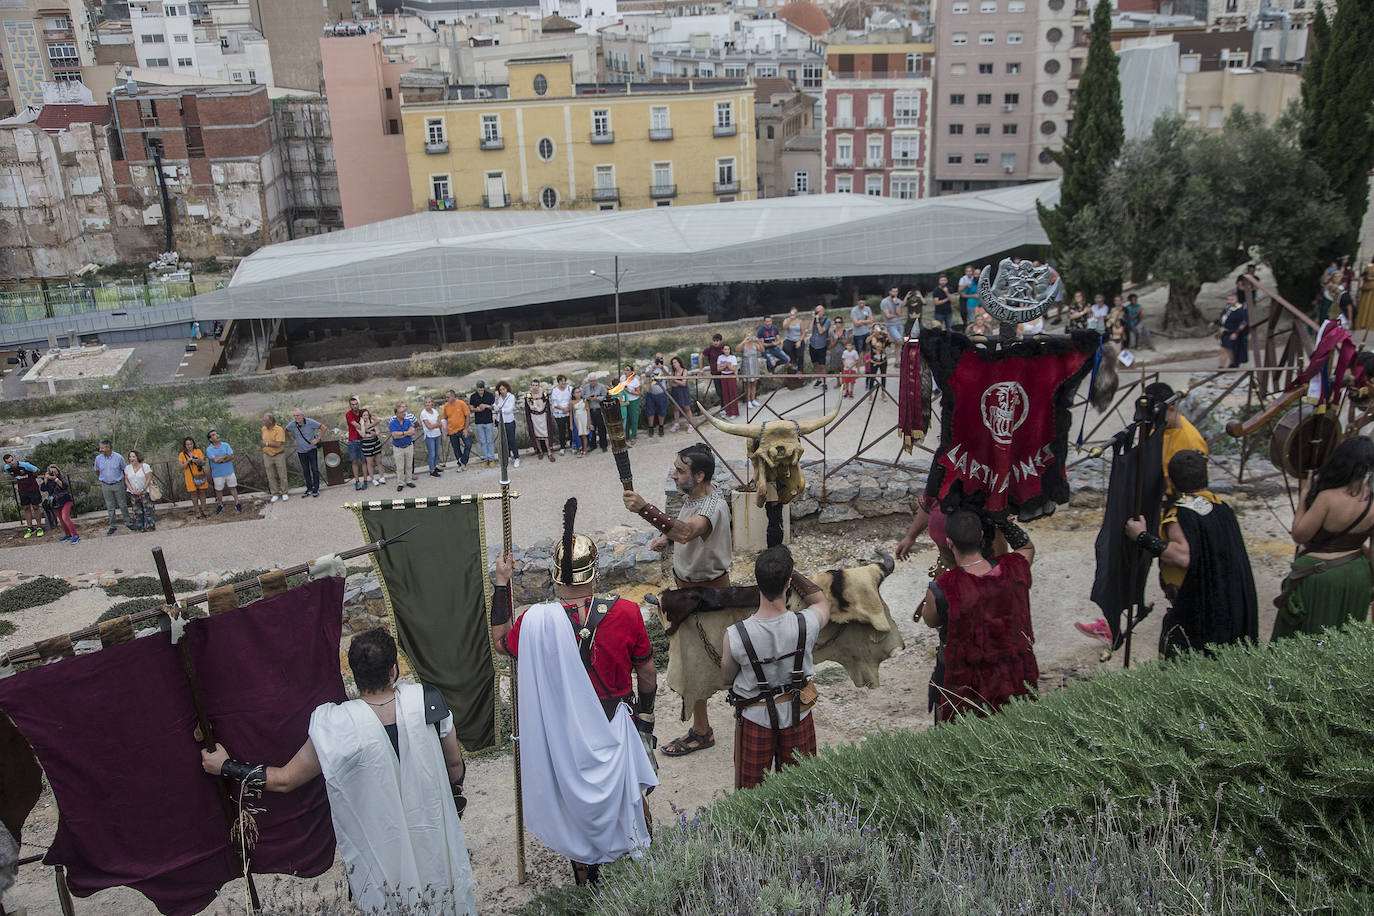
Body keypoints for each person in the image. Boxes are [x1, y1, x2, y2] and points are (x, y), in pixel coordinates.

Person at [201, 629, 476, 914]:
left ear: (354, 676)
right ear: (393, 670)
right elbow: (454, 765)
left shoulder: (336, 725)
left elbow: (284, 780)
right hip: (432, 831)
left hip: (381, 847)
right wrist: (455, 796)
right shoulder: (425, 701)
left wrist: (225, 766)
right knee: (444, 899)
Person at [489, 498, 658, 885]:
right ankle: (643, 877)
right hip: (617, 719)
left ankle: (586, 877)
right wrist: (645, 717)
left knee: (575, 800)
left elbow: (499, 642)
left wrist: (502, 583)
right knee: (632, 796)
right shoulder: (628, 612)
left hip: (567, 730)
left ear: (553, 575)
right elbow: (647, 671)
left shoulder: (534, 623)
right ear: (594, 574)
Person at [622, 443, 732, 757]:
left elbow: (687, 531)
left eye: (680, 471)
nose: (674, 474)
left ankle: (701, 732)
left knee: (698, 664)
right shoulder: (695, 497)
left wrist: (645, 508)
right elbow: (681, 529)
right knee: (696, 661)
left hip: (709, 596)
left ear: (700, 475)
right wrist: (665, 537)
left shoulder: (711, 507)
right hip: (690, 593)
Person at [1125, 449, 1258, 658]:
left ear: (1173, 483)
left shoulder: (1180, 514)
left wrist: (1141, 537)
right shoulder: (1222, 508)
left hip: (1198, 607)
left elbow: (1182, 556)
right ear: (1206, 476)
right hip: (1231, 598)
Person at [722, 545, 831, 790]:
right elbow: (821, 599)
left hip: (755, 718)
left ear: (757, 582)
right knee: (802, 792)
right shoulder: (808, 623)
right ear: (788, 582)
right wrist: (791, 573)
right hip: (799, 714)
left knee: (750, 795)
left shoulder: (736, 635)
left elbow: (727, 678)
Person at [920, 511, 1038, 722]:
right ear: (982, 536)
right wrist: (1003, 523)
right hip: (1013, 676)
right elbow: (1026, 547)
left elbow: (931, 621)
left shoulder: (942, 588)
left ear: (949, 542)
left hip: (964, 687)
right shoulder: (1014, 569)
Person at [1273, 437, 1374, 639]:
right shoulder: (1372, 500)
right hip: (1357, 574)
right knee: (1344, 640)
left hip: (1321, 575)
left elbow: (1300, 535)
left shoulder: (1328, 497)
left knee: (1309, 636)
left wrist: (1304, 496)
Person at [94, 440, 135, 535]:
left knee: (122, 504)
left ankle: (128, 522)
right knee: (110, 506)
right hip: (105, 485)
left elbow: (124, 470)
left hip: (118, 484)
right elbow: (97, 471)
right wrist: (103, 479)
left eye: (102, 448)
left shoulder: (118, 457)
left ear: (108, 448)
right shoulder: (98, 459)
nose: (100, 449)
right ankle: (112, 525)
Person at [4, 454, 44, 539]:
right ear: (6, 463)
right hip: (22, 490)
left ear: (14, 459)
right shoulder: (7, 468)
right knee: (26, 508)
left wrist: (34, 476)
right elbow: (11, 474)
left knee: (35, 507)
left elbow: (37, 470)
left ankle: (39, 527)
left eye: (12, 460)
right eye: (9, 462)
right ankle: (30, 528)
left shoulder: (25, 465)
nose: (12, 463)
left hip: (33, 488)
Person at [205, 429, 243, 515]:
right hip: (217, 474)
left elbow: (231, 456)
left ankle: (237, 503)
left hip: (229, 471)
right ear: (210, 439)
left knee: (233, 487)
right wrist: (225, 456)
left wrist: (221, 459)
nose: (217, 435)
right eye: (214, 435)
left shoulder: (226, 445)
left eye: (216, 434)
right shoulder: (209, 449)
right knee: (219, 490)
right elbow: (215, 460)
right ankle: (220, 505)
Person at [40, 464, 79, 543]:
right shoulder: (48, 480)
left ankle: (75, 535)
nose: (53, 473)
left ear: (58, 471)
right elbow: (43, 488)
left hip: (64, 500)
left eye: (55, 471)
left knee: (65, 518)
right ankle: (67, 534)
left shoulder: (61, 478)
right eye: (51, 472)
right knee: (61, 520)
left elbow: (64, 486)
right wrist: (45, 479)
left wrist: (56, 479)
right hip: (55, 502)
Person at [289, 409, 324, 498]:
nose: (296, 417)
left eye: (298, 415)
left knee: (314, 469)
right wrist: (292, 440)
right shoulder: (293, 424)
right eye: (294, 416)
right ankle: (309, 488)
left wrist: (317, 439)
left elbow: (323, 427)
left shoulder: (310, 422)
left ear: (302, 416)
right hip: (301, 451)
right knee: (305, 470)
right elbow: (286, 430)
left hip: (311, 449)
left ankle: (316, 488)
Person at [124, 449, 156, 531]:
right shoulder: (127, 468)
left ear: (138, 457)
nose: (131, 458)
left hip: (145, 492)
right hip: (133, 493)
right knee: (137, 511)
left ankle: (150, 527)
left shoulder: (145, 466)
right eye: (130, 457)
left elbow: (148, 478)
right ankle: (139, 527)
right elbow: (126, 480)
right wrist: (132, 490)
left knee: (148, 510)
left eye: (133, 456)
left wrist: (143, 489)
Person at [179, 436, 211, 519]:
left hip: (199, 474)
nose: (189, 446)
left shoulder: (198, 451)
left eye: (191, 444)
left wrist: (197, 461)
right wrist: (188, 461)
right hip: (190, 476)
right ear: (185, 445)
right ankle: (197, 511)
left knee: (202, 492)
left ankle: (204, 510)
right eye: (187, 444)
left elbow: (203, 462)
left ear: (193, 444)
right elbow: (181, 467)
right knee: (193, 494)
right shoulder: (182, 454)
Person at [523, 380, 556, 462]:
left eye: (536, 385)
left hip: (543, 416)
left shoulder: (543, 394)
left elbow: (547, 405)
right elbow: (528, 408)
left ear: (539, 386)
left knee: (546, 434)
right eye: (533, 385)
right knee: (536, 435)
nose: (535, 387)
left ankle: (549, 452)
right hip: (534, 417)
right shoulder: (529, 396)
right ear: (531, 386)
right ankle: (540, 451)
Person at [389, 401, 418, 491]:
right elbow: (394, 435)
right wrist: (406, 433)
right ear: (396, 414)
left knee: (409, 465)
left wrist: (402, 433)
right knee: (400, 467)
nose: (404, 414)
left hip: (409, 446)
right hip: (398, 448)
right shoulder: (392, 423)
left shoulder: (408, 421)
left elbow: (412, 431)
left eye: (404, 412)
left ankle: (409, 480)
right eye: (401, 412)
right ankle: (400, 482)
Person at [261, 412, 289, 502]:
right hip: (267, 455)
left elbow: (278, 443)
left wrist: (267, 444)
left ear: (271, 421)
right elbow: (263, 441)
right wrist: (266, 445)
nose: (263, 422)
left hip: (278, 455)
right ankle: (274, 493)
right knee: (270, 475)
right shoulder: (263, 429)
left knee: (282, 474)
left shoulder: (279, 429)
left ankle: (284, 492)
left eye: (265, 420)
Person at [441, 389, 471, 471]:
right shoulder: (446, 406)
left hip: (462, 429)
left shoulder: (461, 403)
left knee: (468, 444)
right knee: (456, 448)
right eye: (446, 397)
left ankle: (463, 461)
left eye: (448, 397)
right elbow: (445, 417)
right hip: (451, 430)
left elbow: (467, 415)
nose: (447, 399)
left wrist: (466, 428)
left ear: (453, 396)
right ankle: (460, 463)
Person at [612, 364, 642, 440]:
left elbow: (638, 393)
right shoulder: (622, 378)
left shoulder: (635, 381)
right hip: (624, 400)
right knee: (626, 418)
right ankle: (627, 435)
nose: (625, 371)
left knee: (634, 419)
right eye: (625, 370)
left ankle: (633, 436)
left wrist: (628, 390)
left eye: (627, 370)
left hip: (633, 401)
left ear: (632, 372)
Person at [470, 380, 496, 467]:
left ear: (484, 388)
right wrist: (476, 409)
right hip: (479, 422)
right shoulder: (473, 396)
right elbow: (471, 408)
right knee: (482, 441)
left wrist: (486, 406)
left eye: (482, 389)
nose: (480, 390)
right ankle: (485, 458)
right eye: (479, 389)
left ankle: (491, 458)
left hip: (488, 421)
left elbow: (494, 407)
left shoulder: (489, 395)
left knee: (490, 441)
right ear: (477, 388)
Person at [494, 381, 520, 468]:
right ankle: (508, 456)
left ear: (507, 388)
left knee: (511, 440)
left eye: (503, 389)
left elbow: (509, 409)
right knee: (503, 440)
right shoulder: (498, 398)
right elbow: (495, 408)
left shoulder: (511, 397)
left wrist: (500, 409)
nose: (502, 391)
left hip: (509, 421)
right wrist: (497, 399)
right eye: (500, 390)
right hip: (500, 421)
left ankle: (516, 457)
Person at [581, 373, 609, 453]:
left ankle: (603, 445)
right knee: (592, 428)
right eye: (590, 381)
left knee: (602, 428)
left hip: (599, 410)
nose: (592, 382)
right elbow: (582, 395)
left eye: (593, 381)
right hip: (590, 410)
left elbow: (605, 396)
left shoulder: (601, 387)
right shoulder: (586, 387)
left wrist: (598, 398)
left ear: (596, 380)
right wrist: (587, 397)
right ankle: (593, 445)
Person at [643, 357, 670, 437]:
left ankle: (661, 427)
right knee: (650, 412)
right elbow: (647, 374)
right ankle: (650, 428)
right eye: (657, 359)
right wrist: (653, 368)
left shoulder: (665, 368)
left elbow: (668, 376)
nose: (659, 360)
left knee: (662, 411)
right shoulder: (650, 367)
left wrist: (661, 368)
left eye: (660, 358)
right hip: (651, 393)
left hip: (661, 393)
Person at [419, 396, 444, 478]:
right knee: (432, 453)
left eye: (429, 402)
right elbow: (428, 426)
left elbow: (439, 423)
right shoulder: (423, 414)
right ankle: (431, 470)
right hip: (429, 436)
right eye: (426, 402)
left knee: (436, 452)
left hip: (437, 434)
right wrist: (436, 425)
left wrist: (435, 425)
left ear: (432, 403)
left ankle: (435, 466)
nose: (428, 404)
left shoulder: (435, 411)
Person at [667, 356, 694, 432]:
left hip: (683, 391)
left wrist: (674, 380)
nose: (674, 364)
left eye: (675, 362)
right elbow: (671, 384)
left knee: (687, 408)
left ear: (679, 363)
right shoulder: (673, 372)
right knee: (676, 408)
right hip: (675, 391)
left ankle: (691, 425)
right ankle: (676, 424)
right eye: (672, 363)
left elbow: (684, 383)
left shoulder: (684, 371)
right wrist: (676, 381)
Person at [807, 305, 831, 388]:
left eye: (819, 311)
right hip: (813, 345)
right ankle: (819, 380)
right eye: (817, 311)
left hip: (821, 346)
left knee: (822, 365)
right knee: (815, 364)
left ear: (823, 311)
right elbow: (809, 329)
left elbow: (821, 331)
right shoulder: (814, 320)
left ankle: (825, 382)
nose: (818, 313)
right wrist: (813, 319)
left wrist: (817, 321)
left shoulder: (827, 320)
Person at [700, 334, 726, 407]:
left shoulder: (724, 347)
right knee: (719, 391)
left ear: (720, 341)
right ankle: (723, 406)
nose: (715, 343)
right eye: (714, 341)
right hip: (715, 373)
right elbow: (701, 356)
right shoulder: (710, 348)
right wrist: (701, 369)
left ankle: (726, 406)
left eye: (717, 341)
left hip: (725, 372)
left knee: (726, 390)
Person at [550, 375, 574, 453]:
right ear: (558, 382)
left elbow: (573, 399)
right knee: (561, 430)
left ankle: (572, 444)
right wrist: (563, 409)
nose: (563, 383)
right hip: (560, 412)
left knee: (571, 429)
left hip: (569, 411)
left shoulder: (570, 389)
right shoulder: (555, 391)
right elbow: (555, 403)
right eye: (561, 381)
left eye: (564, 381)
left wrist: (568, 408)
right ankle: (562, 446)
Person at [345, 396, 365, 487]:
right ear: (350, 405)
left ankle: (365, 480)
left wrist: (369, 426)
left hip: (362, 440)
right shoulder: (348, 414)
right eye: (353, 404)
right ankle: (357, 481)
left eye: (356, 404)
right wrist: (365, 427)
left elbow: (375, 420)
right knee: (354, 461)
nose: (355, 406)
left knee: (364, 460)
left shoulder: (362, 412)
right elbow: (356, 425)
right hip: (353, 440)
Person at [716, 344, 740, 418]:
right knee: (725, 394)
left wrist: (727, 366)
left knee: (732, 394)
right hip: (723, 376)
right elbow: (718, 369)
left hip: (731, 376)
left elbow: (734, 368)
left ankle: (734, 412)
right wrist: (724, 366)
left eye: (728, 349)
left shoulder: (733, 357)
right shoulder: (720, 357)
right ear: (723, 350)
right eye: (725, 349)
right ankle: (727, 411)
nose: (727, 351)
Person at [866, 325, 890, 392]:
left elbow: (891, 340)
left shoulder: (884, 337)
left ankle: (883, 393)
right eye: (875, 328)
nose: (877, 330)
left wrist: (887, 333)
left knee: (883, 377)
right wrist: (873, 334)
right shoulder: (872, 338)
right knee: (872, 377)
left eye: (878, 328)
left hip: (883, 360)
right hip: (874, 361)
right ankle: (870, 394)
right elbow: (866, 341)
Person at [781, 308, 804, 372]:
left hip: (798, 339)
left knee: (800, 355)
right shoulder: (786, 320)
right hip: (789, 339)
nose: (793, 314)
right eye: (792, 312)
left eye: (795, 313)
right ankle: (789, 361)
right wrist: (790, 320)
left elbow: (803, 332)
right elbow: (784, 327)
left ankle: (800, 370)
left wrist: (799, 341)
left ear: (797, 314)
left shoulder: (800, 321)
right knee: (785, 347)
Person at [826, 317, 846, 386]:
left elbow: (846, 343)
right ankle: (838, 382)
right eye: (836, 322)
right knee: (836, 368)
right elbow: (831, 345)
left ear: (842, 323)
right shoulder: (832, 332)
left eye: (839, 322)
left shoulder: (845, 331)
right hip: (834, 352)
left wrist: (840, 337)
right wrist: (835, 339)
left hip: (843, 352)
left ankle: (844, 382)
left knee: (843, 368)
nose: (838, 324)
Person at [570, 387, 590, 455]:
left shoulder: (584, 401)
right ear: (573, 394)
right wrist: (571, 424)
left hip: (584, 418)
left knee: (584, 435)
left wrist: (589, 422)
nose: (578, 394)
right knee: (579, 435)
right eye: (576, 392)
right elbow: (571, 414)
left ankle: (585, 450)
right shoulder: (572, 402)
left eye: (579, 392)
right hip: (577, 420)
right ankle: (580, 448)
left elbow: (588, 411)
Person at [1356, 255, 1374, 331]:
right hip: (1368, 289)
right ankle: (1363, 323)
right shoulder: (1370, 266)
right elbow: (1365, 276)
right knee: (1365, 306)